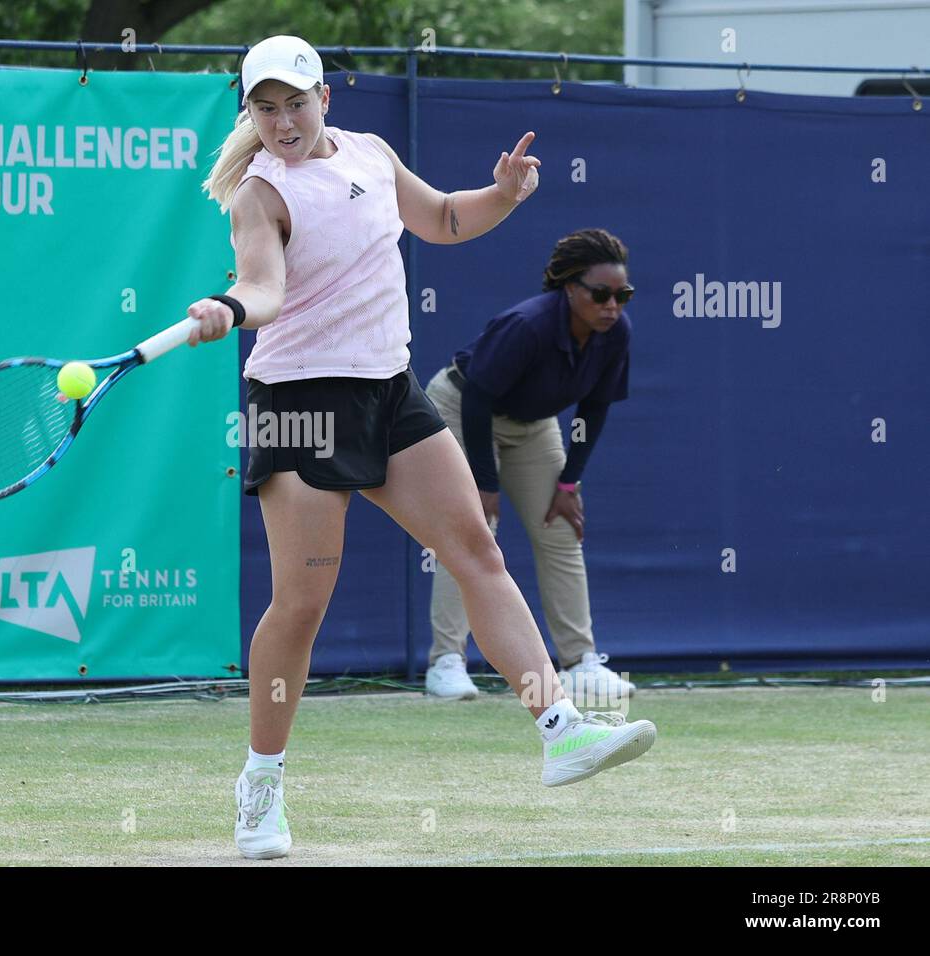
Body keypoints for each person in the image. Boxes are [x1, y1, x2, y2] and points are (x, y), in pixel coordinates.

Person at [186, 35, 656, 860]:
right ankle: (261, 783)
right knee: (302, 606)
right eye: (265, 107)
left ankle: (560, 727)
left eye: (295, 102)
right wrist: (231, 306)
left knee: (477, 548)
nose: (283, 120)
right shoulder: (259, 195)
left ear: (324, 97)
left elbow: (439, 216)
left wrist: (503, 196)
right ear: (250, 113)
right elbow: (263, 285)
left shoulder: (370, 152)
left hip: (387, 389)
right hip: (299, 405)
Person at [423, 229, 638, 705]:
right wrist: (484, 482)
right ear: (570, 289)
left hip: (533, 426)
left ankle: (581, 662)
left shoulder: (615, 333)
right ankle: (446, 662)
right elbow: (478, 398)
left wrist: (569, 481)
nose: (612, 306)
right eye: (600, 295)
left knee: (561, 528)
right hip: (463, 409)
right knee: (472, 532)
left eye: (622, 295)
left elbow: (595, 410)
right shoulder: (527, 325)